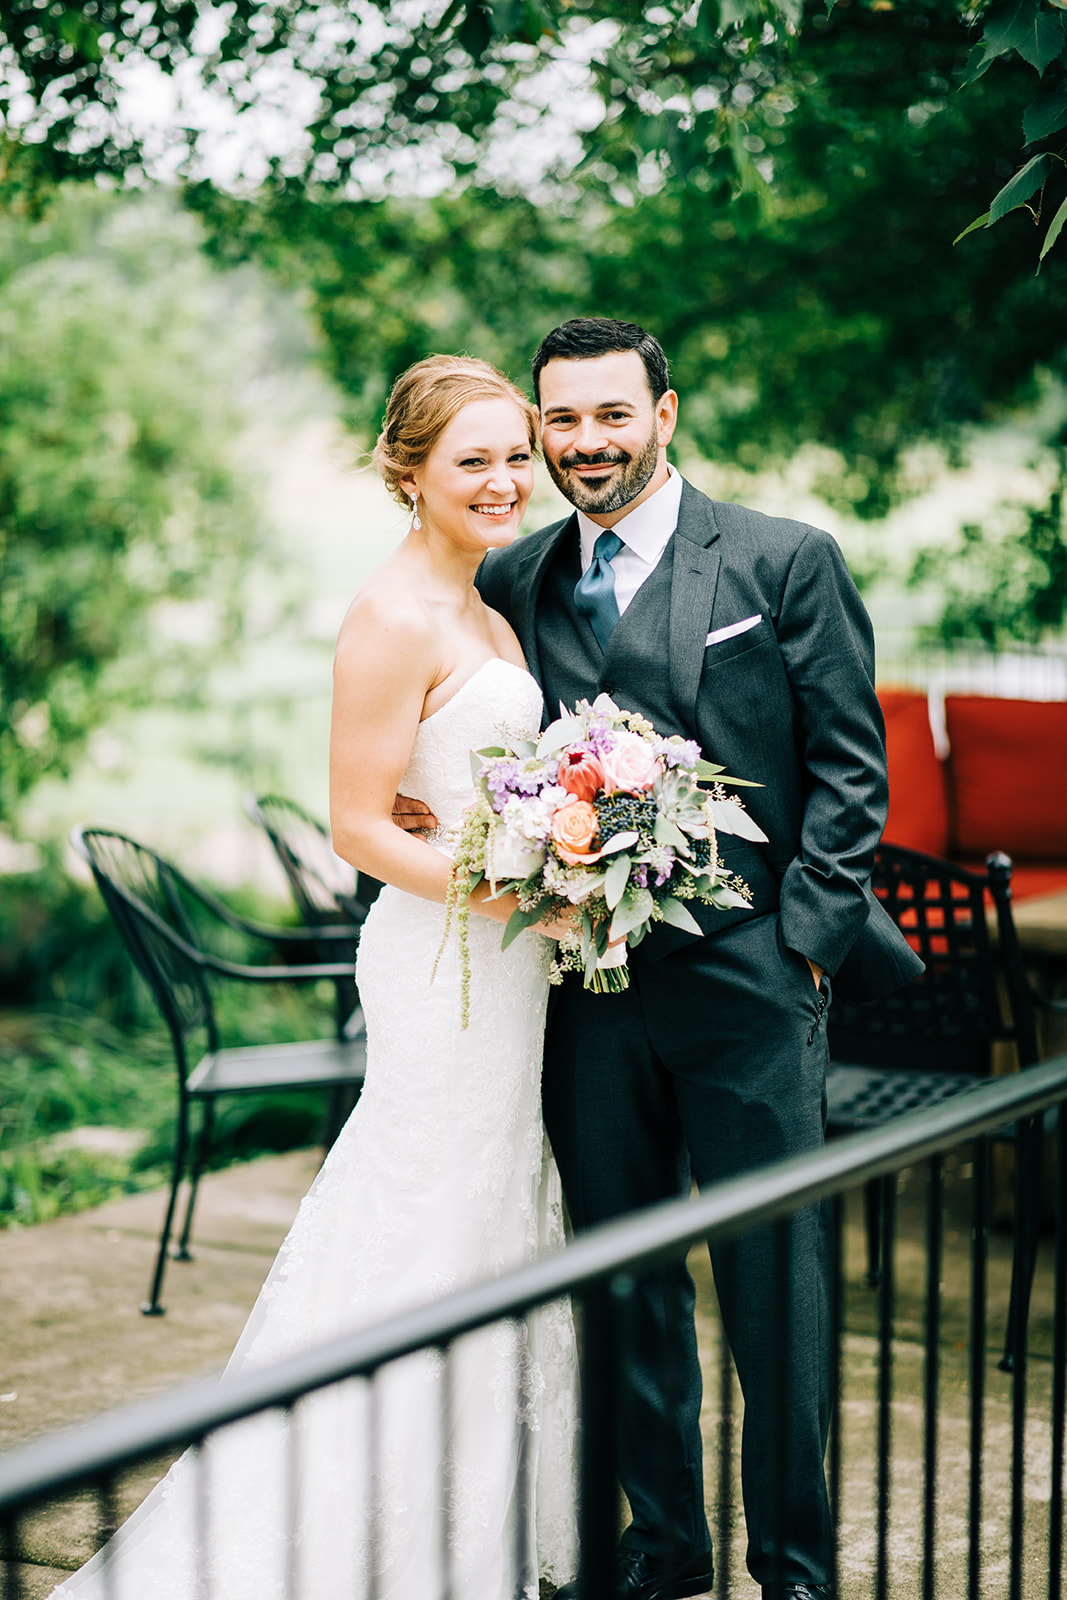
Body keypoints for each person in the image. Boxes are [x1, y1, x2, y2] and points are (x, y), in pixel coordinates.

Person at [398, 318, 922, 1600]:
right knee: (622, 1275)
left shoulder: (782, 559)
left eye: (608, 417)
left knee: (773, 1284)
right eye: (558, 422)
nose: (583, 445)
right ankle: (663, 1545)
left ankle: (792, 1562)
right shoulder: (515, 577)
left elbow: (852, 771)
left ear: (664, 415)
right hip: (585, 990)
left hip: (751, 981)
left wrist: (802, 947)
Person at [51, 355, 578, 1600]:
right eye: (475, 460)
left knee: (495, 1211)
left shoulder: (488, 600)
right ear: (408, 472)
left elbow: (453, 782)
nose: (507, 479)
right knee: (422, 1221)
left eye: (517, 453)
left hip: (505, 967)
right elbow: (356, 825)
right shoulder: (394, 613)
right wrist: (505, 885)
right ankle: (348, 1526)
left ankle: (465, 1516)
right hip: (445, 961)